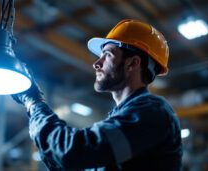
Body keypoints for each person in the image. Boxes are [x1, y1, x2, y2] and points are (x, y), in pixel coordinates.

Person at [12, 19, 183, 171]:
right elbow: (69, 162)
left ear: (133, 63)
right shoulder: (120, 120)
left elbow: (72, 152)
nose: (96, 63)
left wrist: (34, 102)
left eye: (107, 54)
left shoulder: (153, 112)